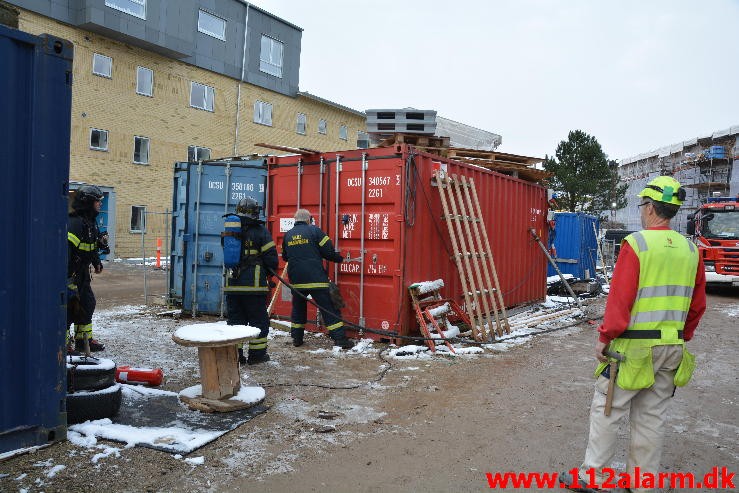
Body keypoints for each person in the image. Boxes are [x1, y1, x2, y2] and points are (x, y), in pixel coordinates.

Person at [564, 176, 706, 493]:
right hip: (672, 345)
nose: (642, 211)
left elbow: (620, 300)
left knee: (608, 407)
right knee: (651, 416)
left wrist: (605, 337)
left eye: (643, 205)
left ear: (651, 207)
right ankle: (643, 483)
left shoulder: (637, 245)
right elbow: (697, 306)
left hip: (632, 349)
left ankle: (594, 477)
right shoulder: (690, 249)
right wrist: (681, 336)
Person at [282, 209, 354, 350]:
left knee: (298, 309)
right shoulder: (315, 231)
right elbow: (328, 252)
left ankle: (297, 339)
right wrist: (339, 258)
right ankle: (340, 340)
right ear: (309, 219)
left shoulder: (288, 235)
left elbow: (285, 257)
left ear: (295, 220)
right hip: (316, 279)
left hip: (296, 281)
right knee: (329, 308)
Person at [223, 197, 278, 365]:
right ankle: (257, 355)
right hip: (254, 287)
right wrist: (268, 272)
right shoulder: (260, 231)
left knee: (235, 322)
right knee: (258, 321)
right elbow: (272, 259)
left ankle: (235, 356)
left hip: (232, 285)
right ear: (255, 212)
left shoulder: (230, 230)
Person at [67, 185, 108, 352]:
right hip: (71, 274)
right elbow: (66, 251)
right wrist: (68, 278)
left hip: (82, 273)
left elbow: (90, 246)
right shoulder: (75, 223)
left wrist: (97, 261)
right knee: (69, 307)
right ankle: (62, 344)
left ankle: (84, 340)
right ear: (88, 202)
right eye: (97, 201)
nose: (99, 204)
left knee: (87, 304)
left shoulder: (90, 223)